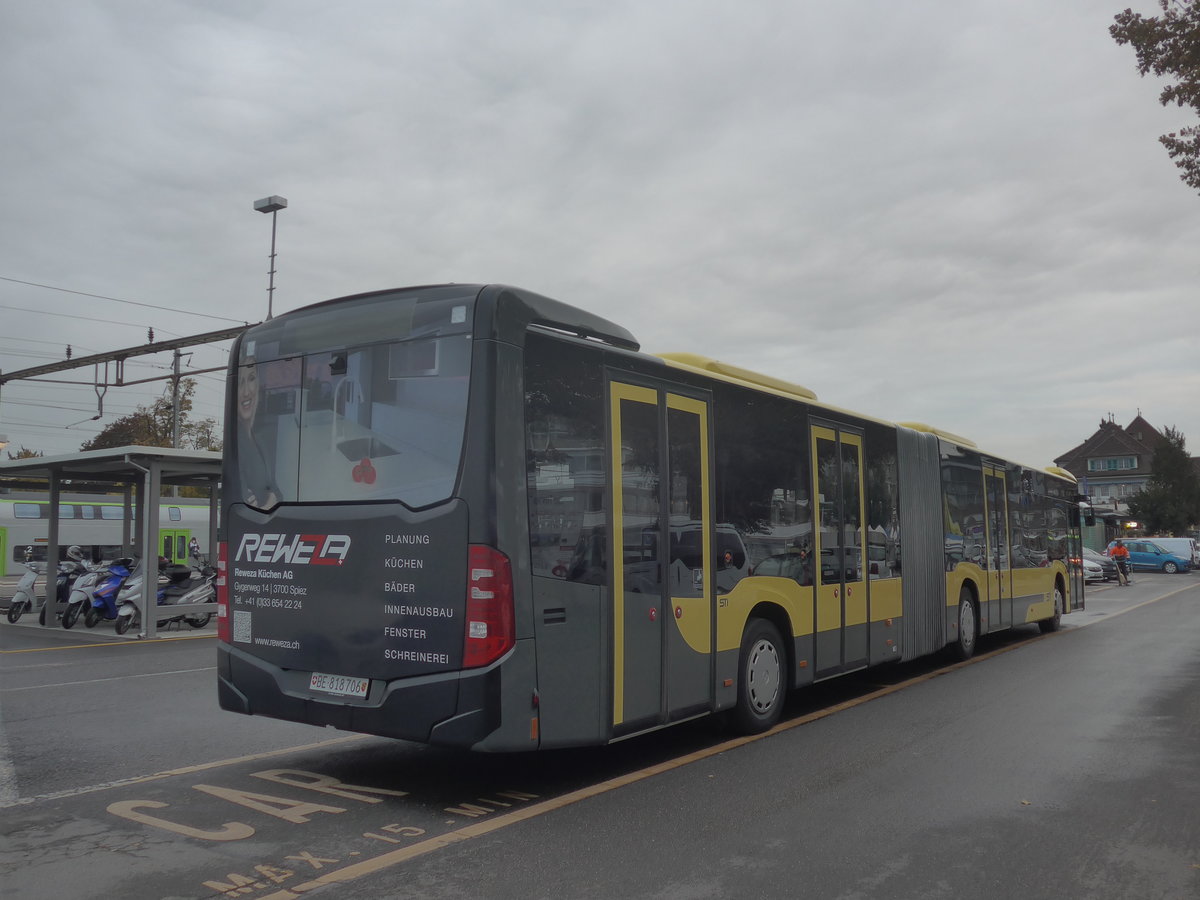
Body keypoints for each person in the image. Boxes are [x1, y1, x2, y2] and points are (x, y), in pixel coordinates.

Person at [236, 358, 281, 509]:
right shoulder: (235, 442)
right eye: (240, 383)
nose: (246, 391)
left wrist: (271, 498)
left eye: (251, 379)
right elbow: (245, 501)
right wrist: (271, 500)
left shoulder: (260, 438)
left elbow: (276, 490)